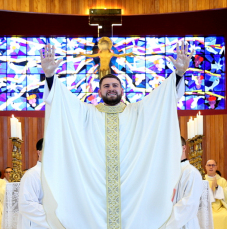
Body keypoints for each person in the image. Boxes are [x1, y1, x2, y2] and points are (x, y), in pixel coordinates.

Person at [40, 40, 191, 228]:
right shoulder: (87, 113)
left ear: (121, 89)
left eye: (114, 85)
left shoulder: (137, 112)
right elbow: (62, 102)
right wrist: (50, 75)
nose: (111, 88)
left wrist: (178, 73)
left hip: (132, 187)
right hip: (95, 189)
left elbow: (162, 99)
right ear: (99, 91)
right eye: (106, 86)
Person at [166, 136, 203, 228]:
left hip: (185, 224)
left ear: (184, 148)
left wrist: (166, 224)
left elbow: (188, 204)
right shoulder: (169, 173)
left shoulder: (191, 173)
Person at [18, 138, 49, 228]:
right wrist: (53, 214)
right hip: (39, 225)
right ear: (39, 152)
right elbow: (26, 204)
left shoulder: (58, 174)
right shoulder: (32, 175)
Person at [205, 160, 227, 229]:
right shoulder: (202, 180)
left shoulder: (222, 180)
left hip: (221, 206)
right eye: (209, 165)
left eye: (213, 165)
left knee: (226, 215)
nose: (211, 167)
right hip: (207, 207)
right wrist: (210, 190)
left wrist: (217, 187)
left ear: (216, 167)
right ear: (205, 167)